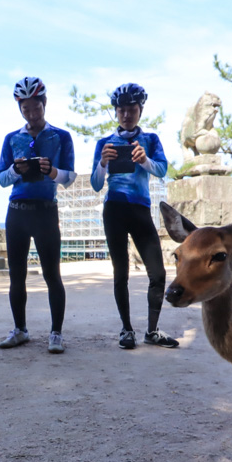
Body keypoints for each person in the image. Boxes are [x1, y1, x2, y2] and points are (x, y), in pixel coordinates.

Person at [90, 82, 177, 350]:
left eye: (132, 109)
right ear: (116, 112)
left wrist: (144, 161)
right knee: (121, 273)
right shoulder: (104, 143)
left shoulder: (150, 140)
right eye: (121, 110)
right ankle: (126, 329)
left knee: (158, 273)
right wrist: (103, 162)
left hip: (140, 209)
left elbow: (161, 170)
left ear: (140, 110)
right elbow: (95, 184)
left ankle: (152, 331)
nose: (127, 115)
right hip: (114, 208)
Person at [0, 77, 76, 354]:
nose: (31, 114)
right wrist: (15, 171)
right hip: (16, 212)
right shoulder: (11, 139)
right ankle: (20, 330)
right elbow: (1, 179)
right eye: (25, 109)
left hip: (45, 212)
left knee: (52, 274)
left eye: (36, 108)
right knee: (16, 276)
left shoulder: (61, 136)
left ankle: (56, 333)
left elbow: (70, 176)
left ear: (44, 104)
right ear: (20, 108)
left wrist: (51, 171)